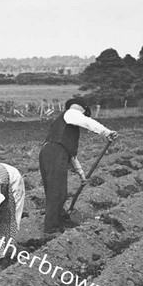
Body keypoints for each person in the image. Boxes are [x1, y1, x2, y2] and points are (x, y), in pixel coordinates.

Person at [39, 97, 118, 237]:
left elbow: (70, 154)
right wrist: (106, 132)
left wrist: (81, 174)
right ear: (83, 109)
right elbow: (87, 122)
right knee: (57, 192)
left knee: (55, 190)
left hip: (51, 152)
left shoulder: (65, 124)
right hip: (55, 152)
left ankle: (59, 218)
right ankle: (51, 228)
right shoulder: (72, 113)